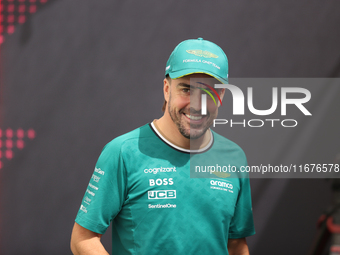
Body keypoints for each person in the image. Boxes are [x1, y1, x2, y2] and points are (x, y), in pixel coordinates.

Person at [70, 38, 255, 255]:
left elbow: (236, 244)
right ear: (166, 89)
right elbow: (83, 239)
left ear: (221, 96)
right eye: (186, 89)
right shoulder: (124, 152)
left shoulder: (233, 157)